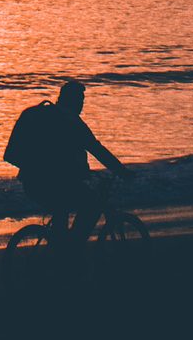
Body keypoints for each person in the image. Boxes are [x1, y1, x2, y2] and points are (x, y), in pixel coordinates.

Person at [7, 80, 131, 247]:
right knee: (92, 204)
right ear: (72, 101)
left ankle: (62, 252)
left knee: (62, 210)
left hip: (31, 183)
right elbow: (97, 149)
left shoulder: (42, 115)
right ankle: (71, 248)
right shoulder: (72, 122)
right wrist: (122, 171)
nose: (81, 105)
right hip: (55, 184)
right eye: (80, 100)